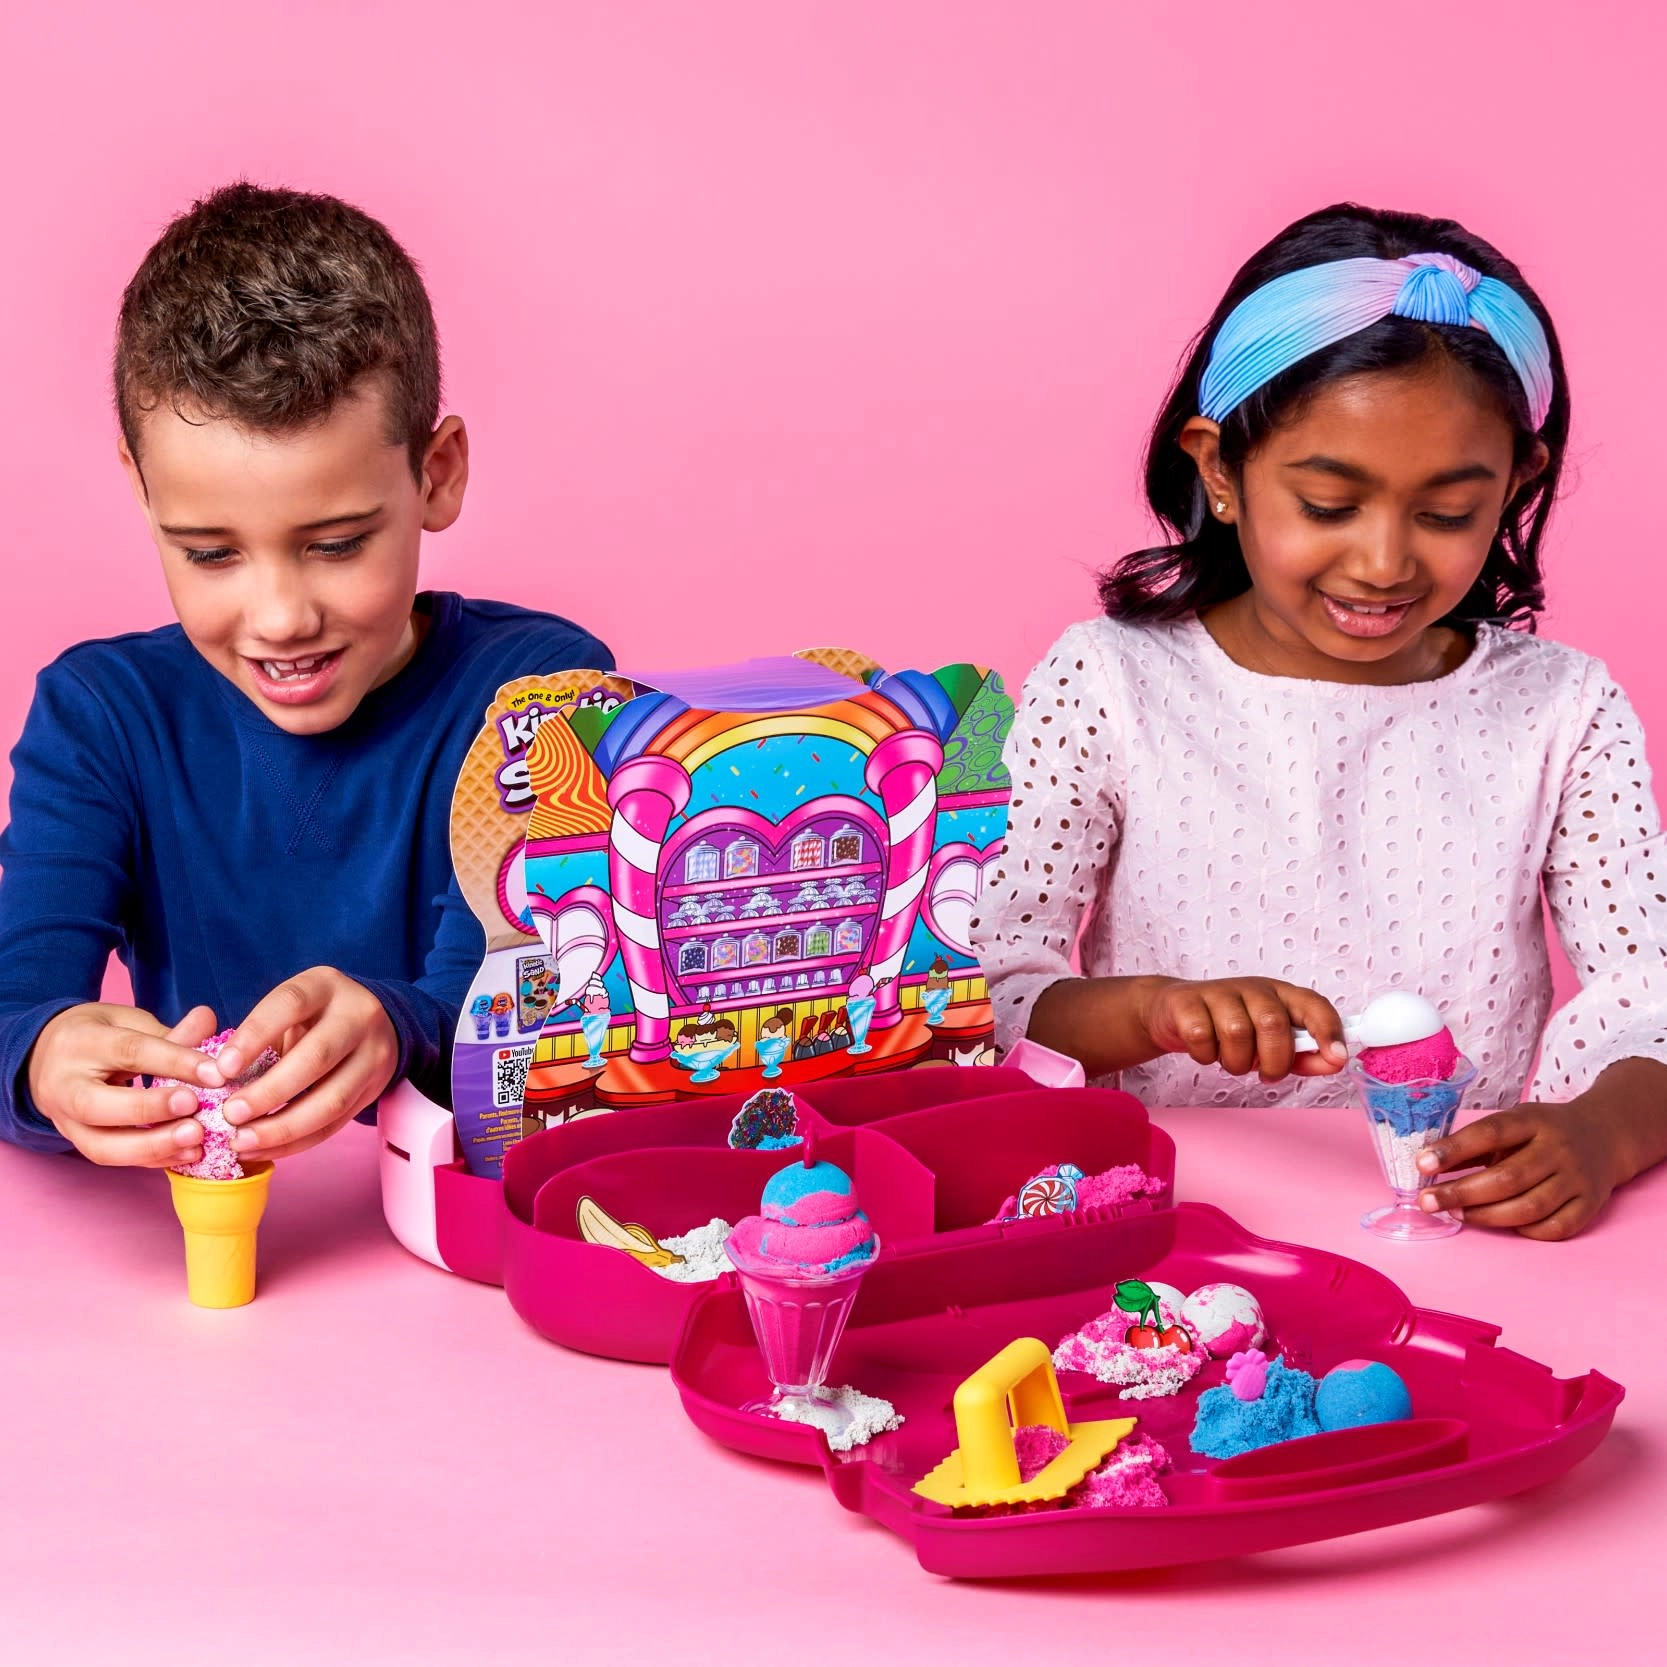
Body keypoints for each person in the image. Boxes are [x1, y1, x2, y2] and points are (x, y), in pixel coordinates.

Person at [971, 204, 1667, 1239]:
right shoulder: (1107, 682)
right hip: (1173, 1226)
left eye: (1445, 513)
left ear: (1515, 481)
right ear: (1219, 468)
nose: (1383, 563)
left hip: (1456, 1221)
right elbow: (986, 989)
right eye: (1329, 505)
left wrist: (1602, 1131)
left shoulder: (1562, 709)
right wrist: (1153, 1010)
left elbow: (1650, 990)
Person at [0, 183, 610, 1168]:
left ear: (436, 474)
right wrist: (42, 1058)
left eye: (335, 543)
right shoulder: (103, 717)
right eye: (209, 553)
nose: (280, 615)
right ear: (142, 490)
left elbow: (526, 1012)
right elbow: (14, 1003)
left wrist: (396, 1027)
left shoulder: (539, 697)